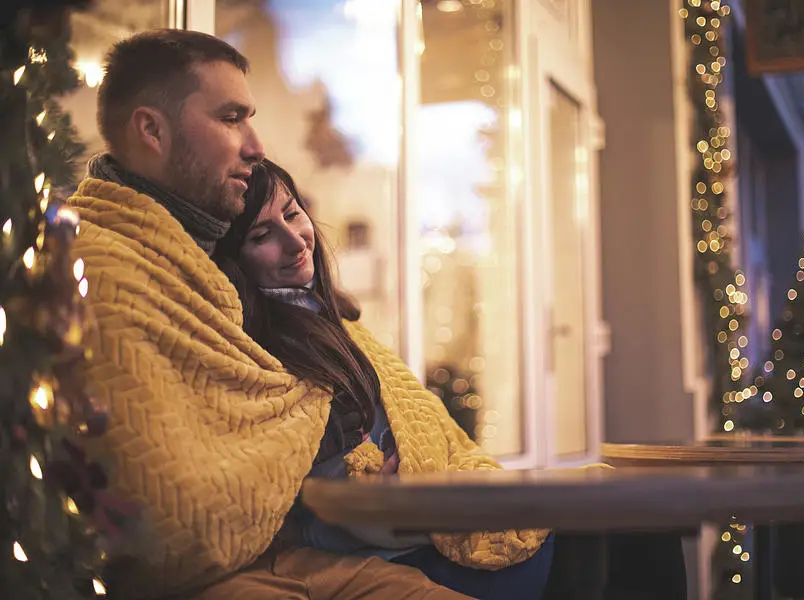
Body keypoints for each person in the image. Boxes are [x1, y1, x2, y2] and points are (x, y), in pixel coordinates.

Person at [67, 29, 547, 600]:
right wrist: (362, 509)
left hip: (382, 523)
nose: (255, 144)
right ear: (151, 129)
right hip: (326, 543)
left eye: (294, 216)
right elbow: (177, 507)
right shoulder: (105, 265)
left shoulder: (208, 265)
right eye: (230, 117)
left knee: (604, 532)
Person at [211, 159, 554, 599]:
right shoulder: (259, 353)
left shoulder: (336, 320)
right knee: (589, 540)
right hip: (388, 545)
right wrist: (387, 495)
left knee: (604, 529)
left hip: (419, 518)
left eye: (292, 214)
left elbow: (419, 419)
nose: (294, 240)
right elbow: (309, 505)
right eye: (261, 236)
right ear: (233, 260)